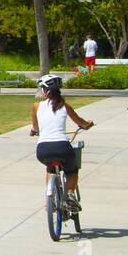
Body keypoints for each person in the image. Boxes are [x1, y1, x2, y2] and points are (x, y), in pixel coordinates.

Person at [30, 74, 94, 211]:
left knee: (50, 168)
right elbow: (81, 123)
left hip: (43, 150)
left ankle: (50, 199)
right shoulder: (65, 106)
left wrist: (34, 131)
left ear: (46, 91)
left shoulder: (36, 106)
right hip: (62, 148)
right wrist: (88, 124)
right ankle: (70, 194)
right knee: (72, 169)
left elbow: (35, 128)